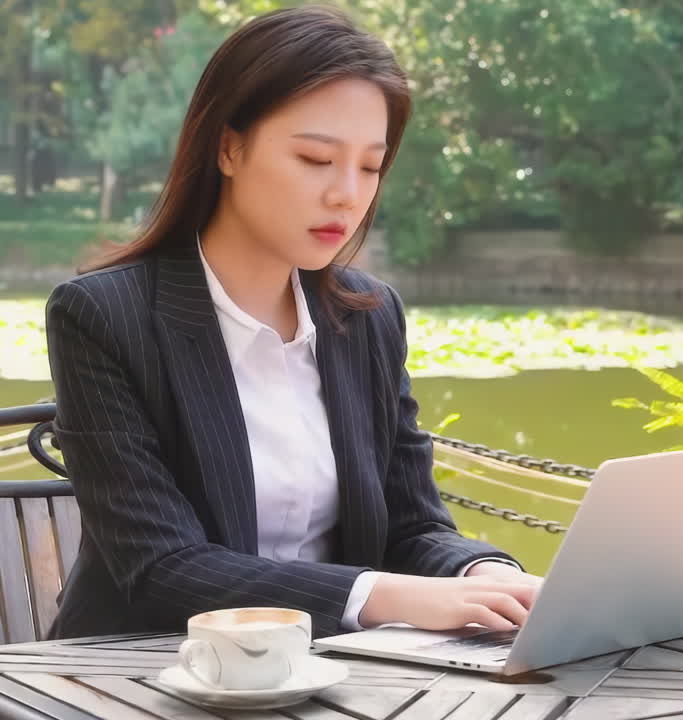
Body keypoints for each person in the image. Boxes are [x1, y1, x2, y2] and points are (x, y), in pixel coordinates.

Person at [43, 5, 539, 640]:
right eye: (314, 159)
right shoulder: (103, 317)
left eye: (370, 166)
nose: (347, 194)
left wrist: (483, 574)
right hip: (135, 674)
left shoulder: (369, 318)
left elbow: (412, 526)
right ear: (228, 147)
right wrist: (388, 595)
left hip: (335, 678)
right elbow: (161, 566)